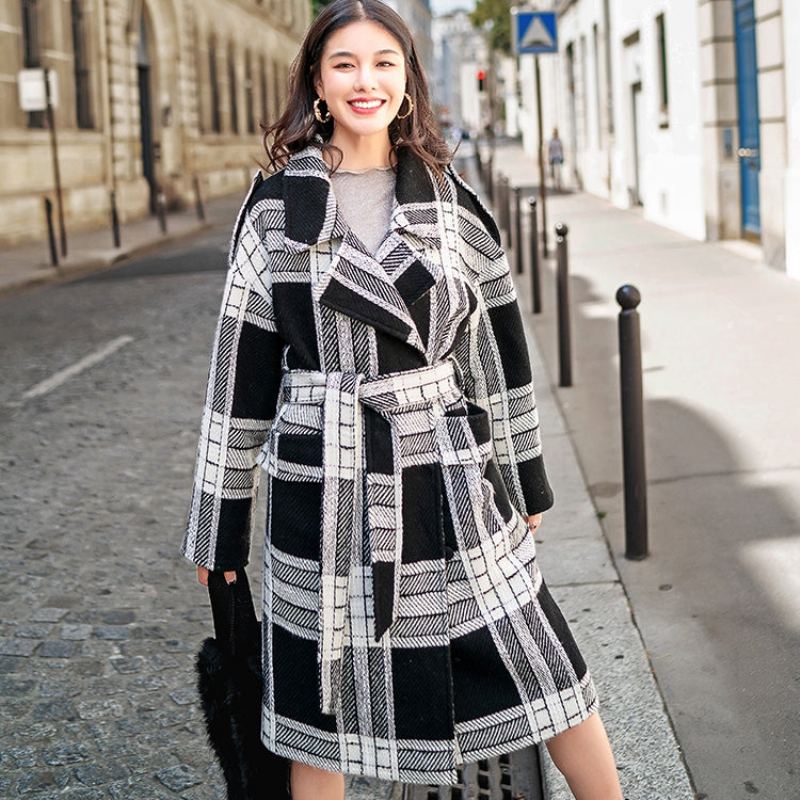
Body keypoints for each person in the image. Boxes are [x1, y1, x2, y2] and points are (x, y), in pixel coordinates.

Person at [181, 1, 624, 798]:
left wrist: (522, 481)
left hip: (448, 481)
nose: (365, 80)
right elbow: (237, 379)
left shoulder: (453, 202)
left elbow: (496, 354)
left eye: (384, 62)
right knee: (320, 720)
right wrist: (222, 532)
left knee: (550, 672)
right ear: (316, 81)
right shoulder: (276, 210)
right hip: (324, 488)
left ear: (408, 80)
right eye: (344, 63)